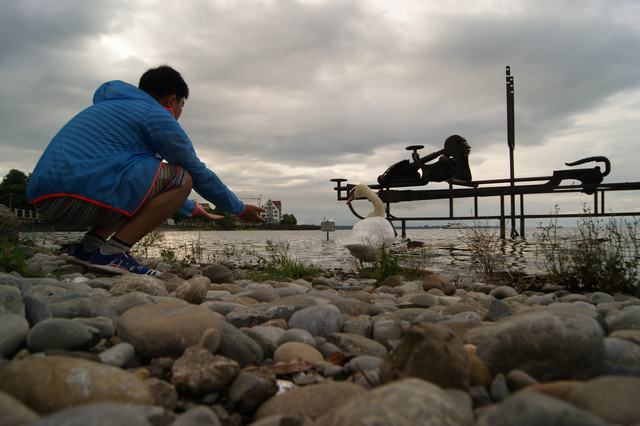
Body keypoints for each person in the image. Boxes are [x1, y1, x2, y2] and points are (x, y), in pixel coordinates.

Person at [27, 65, 264, 275]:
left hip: (47, 202)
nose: (181, 111)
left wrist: (191, 208)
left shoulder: (109, 109)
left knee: (135, 179)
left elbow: (141, 186)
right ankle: (113, 254)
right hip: (80, 202)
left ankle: (88, 248)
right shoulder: (156, 115)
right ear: (172, 100)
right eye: (182, 104)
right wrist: (238, 209)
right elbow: (194, 170)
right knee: (183, 176)